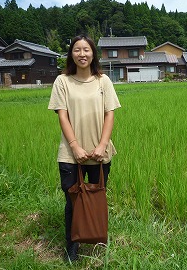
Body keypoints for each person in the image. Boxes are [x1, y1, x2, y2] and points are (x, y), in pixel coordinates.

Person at [48, 35, 121, 262]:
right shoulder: (62, 81)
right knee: (73, 202)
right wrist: (75, 147)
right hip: (70, 154)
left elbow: (110, 114)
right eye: (77, 50)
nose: (82, 54)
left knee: (96, 198)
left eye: (86, 49)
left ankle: (95, 236)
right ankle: (72, 247)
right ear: (71, 54)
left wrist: (102, 145)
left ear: (93, 54)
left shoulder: (103, 81)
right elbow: (63, 116)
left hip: (100, 154)